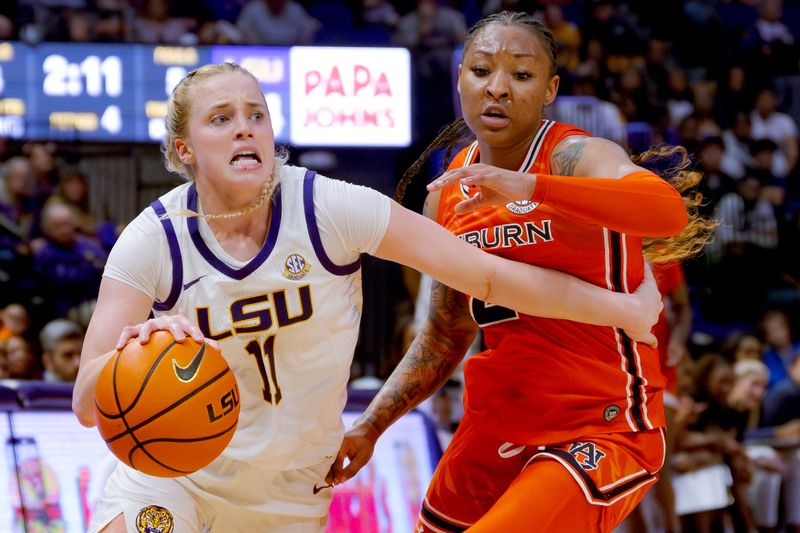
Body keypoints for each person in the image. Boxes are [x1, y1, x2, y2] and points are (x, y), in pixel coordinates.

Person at [70, 62, 666, 533]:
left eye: (257, 113)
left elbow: (485, 276)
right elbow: (86, 400)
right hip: (177, 474)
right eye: (221, 118)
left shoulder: (330, 207)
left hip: (289, 492)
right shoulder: (153, 238)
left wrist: (623, 309)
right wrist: (131, 356)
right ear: (185, 150)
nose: (246, 126)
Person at [328, 12, 714, 532]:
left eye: (522, 75)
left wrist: (529, 187)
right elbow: (445, 334)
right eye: (482, 71)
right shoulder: (448, 196)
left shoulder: (574, 155)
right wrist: (371, 426)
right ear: (460, 78)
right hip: (496, 425)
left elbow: (667, 211)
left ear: (551, 89)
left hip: (597, 425)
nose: (499, 89)